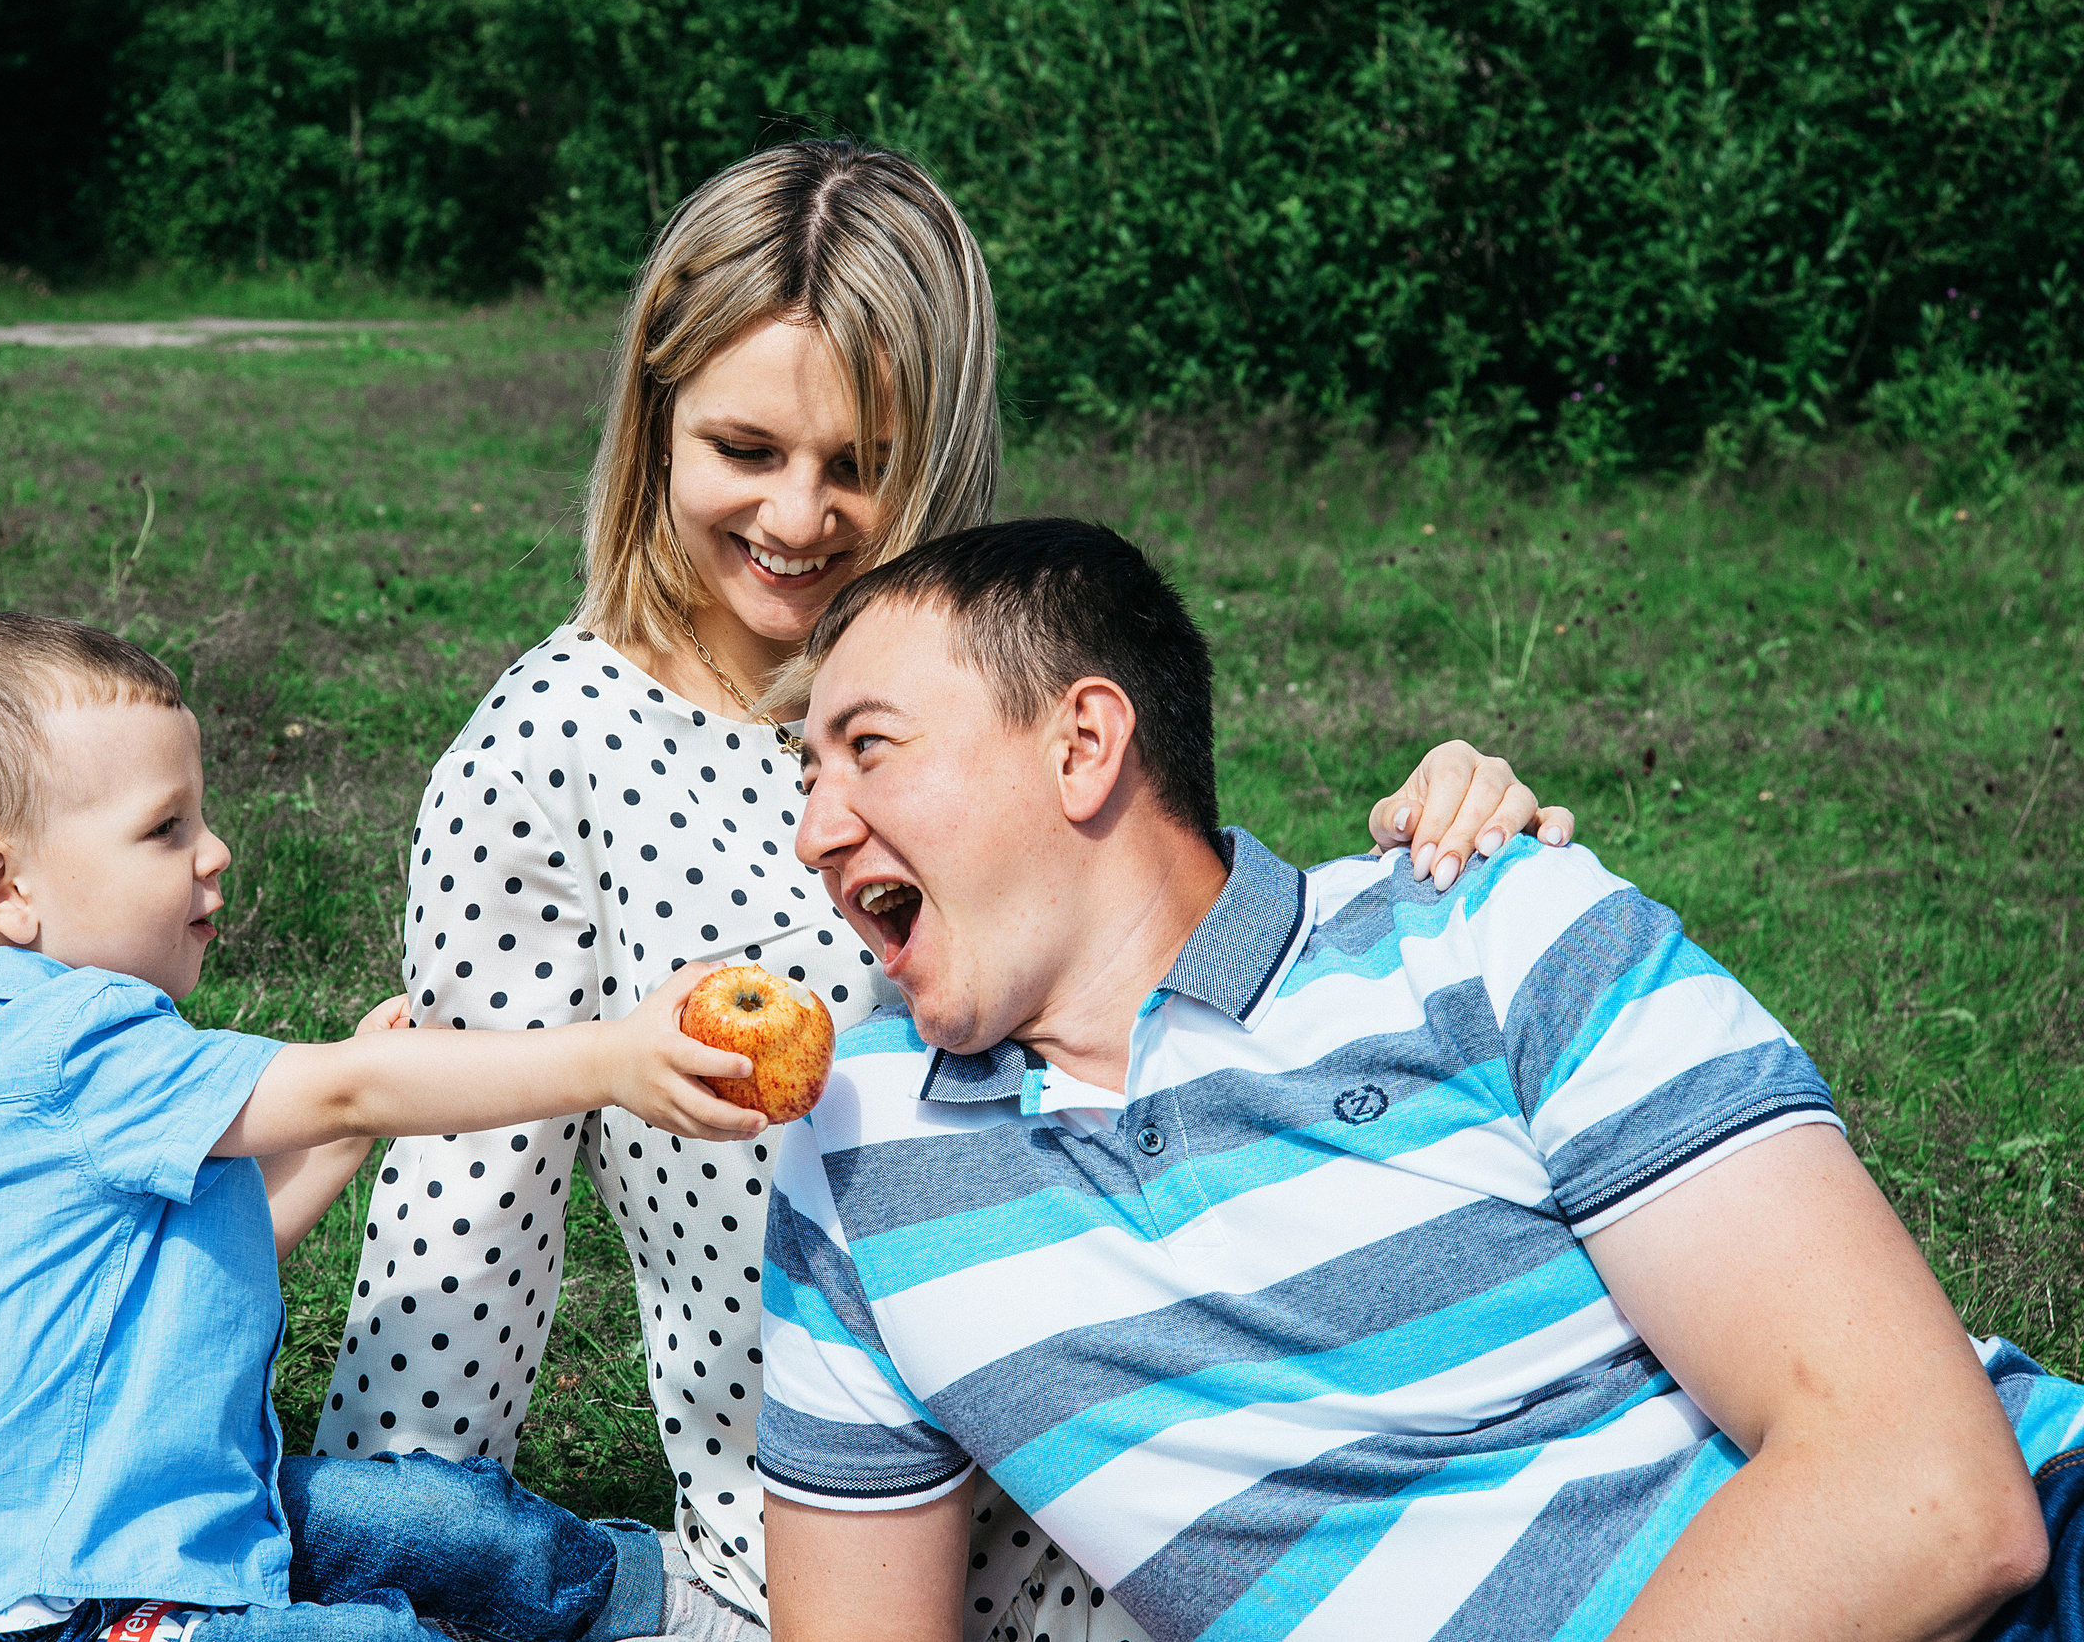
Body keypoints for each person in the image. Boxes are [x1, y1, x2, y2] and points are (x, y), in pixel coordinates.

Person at [313, 137, 1581, 1635]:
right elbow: (467, 1212)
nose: (797, 518)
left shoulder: (1013, 677)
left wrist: (1440, 857)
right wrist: (382, 1554)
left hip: (1191, 1531)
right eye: (746, 451)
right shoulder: (543, 760)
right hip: (829, 1577)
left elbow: (1193, 987)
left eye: (860, 466)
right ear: (654, 424)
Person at [756, 517, 2084, 1642]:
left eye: (868, 747)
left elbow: (1928, 1493)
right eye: (806, 771)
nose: (816, 832)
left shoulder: (1481, 927)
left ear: (1083, 744)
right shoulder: (855, 1155)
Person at [0, 611, 772, 1642]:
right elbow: (349, 1084)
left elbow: (175, 1282)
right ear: (4, 888)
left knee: (443, 1516)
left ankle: (674, 1607)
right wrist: (611, 1058)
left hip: (167, 1525)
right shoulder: (76, 1051)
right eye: (167, 826)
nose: (215, 848)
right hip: (61, 1609)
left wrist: (336, 1146)